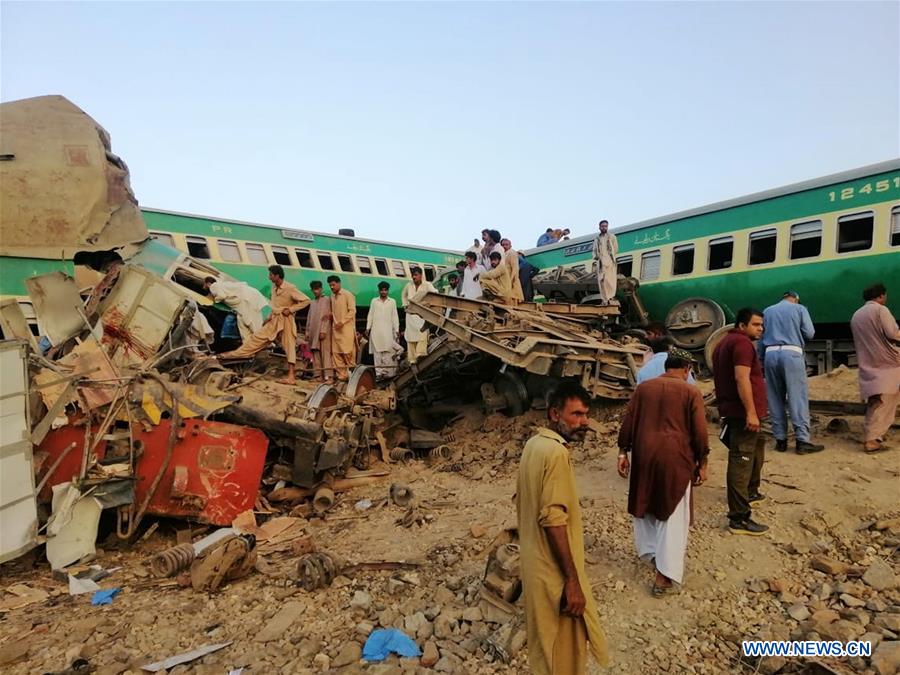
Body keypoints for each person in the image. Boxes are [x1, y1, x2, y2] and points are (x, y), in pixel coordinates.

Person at [517, 382, 609, 674]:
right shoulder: (556, 453)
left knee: (545, 649)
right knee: (563, 654)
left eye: (586, 415)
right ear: (555, 414)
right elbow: (554, 518)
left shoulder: (534, 445)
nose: (585, 423)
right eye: (577, 415)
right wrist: (572, 581)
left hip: (535, 566)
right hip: (553, 573)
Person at [618, 349, 709, 596]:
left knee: (646, 503)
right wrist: (703, 460)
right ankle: (664, 576)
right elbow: (699, 431)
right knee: (672, 514)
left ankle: (652, 553)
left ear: (666, 366)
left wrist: (622, 451)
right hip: (676, 457)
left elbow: (629, 421)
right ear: (687, 369)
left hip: (644, 454)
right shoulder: (691, 391)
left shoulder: (644, 388)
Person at [712, 307, 769, 536]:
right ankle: (739, 518)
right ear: (742, 325)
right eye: (756, 325)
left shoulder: (724, 343)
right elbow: (741, 378)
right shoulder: (742, 345)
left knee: (755, 449)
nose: (761, 329)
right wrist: (751, 413)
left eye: (762, 325)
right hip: (742, 413)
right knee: (741, 460)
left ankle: (751, 493)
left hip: (738, 411)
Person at [219, 265, 310, 384]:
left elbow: (306, 300)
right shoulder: (274, 288)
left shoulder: (290, 288)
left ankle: (291, 377)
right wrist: (268, 318)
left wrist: (291, 309)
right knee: (257, 338)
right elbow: (274, 305)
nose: (269, 277)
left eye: (271, 275)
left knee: (289, 345)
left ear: (277, 276)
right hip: (274, 319)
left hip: (286, 319)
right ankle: (232, 355)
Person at [760, 291, 824, 454]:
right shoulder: (800, 308)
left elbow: (760, 338)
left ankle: (780, 441)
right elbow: (810, 333)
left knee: (774, 398)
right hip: (791, 354)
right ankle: (802, 441)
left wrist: (761, 359)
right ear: (795, 299)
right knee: (797, 398)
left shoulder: (767, 311)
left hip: (770, 354)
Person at [850, 283, 900, 453]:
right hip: (888, 364)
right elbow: (893, 333)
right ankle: (872, 440)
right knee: (886, 400)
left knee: (876, 400)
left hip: (868, 364)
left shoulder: (857, 315)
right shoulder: (881, 310)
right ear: (880, 296)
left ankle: (873, 435)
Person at [203, 276, 268, 342]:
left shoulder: (214, 286)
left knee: (252, 322)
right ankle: (249, 345)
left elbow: (222, 296)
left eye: (204, 284)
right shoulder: (223, 285)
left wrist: (214, 299)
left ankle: (263, 341)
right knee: (242, 323)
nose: (203, 287)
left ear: (208, 283)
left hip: (247, 299)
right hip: (245, 300)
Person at [401, 267, 437, 364]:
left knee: (422, 333)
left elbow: (435, 293)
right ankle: (412, 359)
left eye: (416, 275)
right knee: (410, 336)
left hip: (421, 314)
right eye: (413, 275)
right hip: (410, 315)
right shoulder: (408, 285)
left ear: (421, 275)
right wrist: (405, 305)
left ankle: (420, 355)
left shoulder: (427, 285)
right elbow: (403, 295)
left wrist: (428, 304)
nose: (414, 277)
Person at [366, 281, 401, 379]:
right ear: (379, 290)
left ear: (388, 291)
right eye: (382, 290)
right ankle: (378, 374)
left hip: (387, 331)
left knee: (386, 352)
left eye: (385, 290)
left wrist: (397, 329)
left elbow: (395, 316)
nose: (383, 292)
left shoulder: (392, 301)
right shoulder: (374, 301)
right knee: (377, 353)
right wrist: (368, 328)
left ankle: (386, 372)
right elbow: (370, 315)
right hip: (376, 330)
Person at [328, 275, 356, 381]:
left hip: (346, 329)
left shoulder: (347, 295)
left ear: (339, 283)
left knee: (347, 352)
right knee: (336, 353)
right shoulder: (332, 296)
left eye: (333, 285)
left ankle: (352, 376)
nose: (331, 287)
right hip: (336, 329)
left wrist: (342, 322)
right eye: (330, 285)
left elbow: (352, 311)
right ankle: (342, 376)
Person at [306, 280, 333, 382]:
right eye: (314, 289)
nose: (316, 291)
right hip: (313, 331)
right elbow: (309, 317)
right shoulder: (312, 302)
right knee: (315, 353)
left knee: (325, 353)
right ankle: (318, 376)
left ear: (321, 289)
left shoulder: (327, 300)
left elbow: (327, 317)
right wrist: (307, 332)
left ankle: (329, 376)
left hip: (322, 332)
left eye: (317, 289)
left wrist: (324, 330)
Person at [591, 220, 618, 304]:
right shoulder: (596, 239)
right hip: (601, 262)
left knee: (610, 280)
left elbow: (616, 249)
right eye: (603, 226)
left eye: (606, 226)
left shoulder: (612, 237)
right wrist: (597, 257)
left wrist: (610, 257)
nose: (604, 227)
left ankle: (610, 297)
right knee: (602, 281)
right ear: (599, 227)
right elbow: (594, 250)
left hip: (609, 261)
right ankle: (604, 299)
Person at [500, 238, 525, 305]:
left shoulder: (512, 253)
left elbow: (515, 268)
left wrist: (511, 280)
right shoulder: (503, 254)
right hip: (504, 280)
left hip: (511, 280)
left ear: (510, 245)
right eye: (502, 245)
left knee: (512, 300)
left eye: (506, 245)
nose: (504, 246)